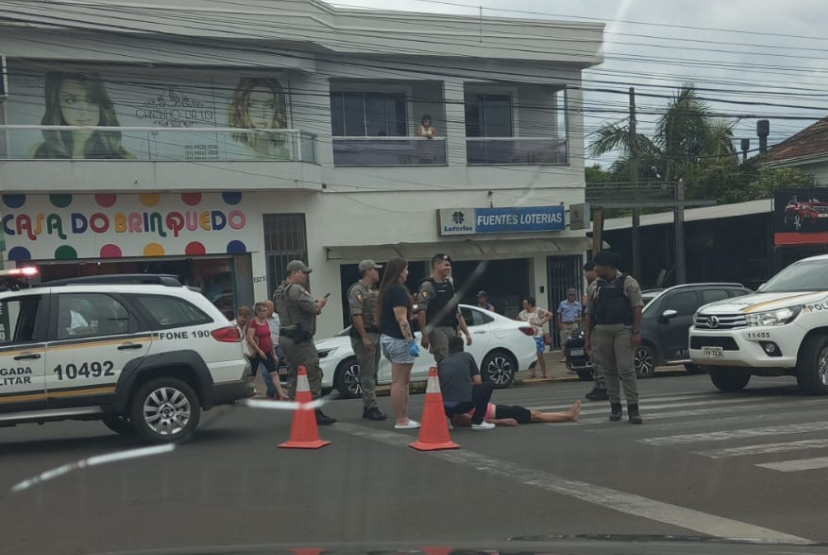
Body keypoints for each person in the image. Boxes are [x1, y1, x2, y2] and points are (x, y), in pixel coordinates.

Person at [584, 251, 645, 424]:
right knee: (608, 371)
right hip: (601, 330)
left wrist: (636, 331)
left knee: (626, 369)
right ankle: (615, 407)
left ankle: (633, 408)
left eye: (598, 266)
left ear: (609, 267)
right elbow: (589, 313)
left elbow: (637, 308)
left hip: (623, 329)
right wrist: (588, 339)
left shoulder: (628, 282)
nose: (595, 268)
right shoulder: (594, 286)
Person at [273, 260, 336, 425]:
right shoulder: (295, 289)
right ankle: (315, 410)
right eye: (303, 272)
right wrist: (319, 303)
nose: (305, 276)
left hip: (286, 336)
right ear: (294, 272)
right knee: (313, 371)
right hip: (299, 337)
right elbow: (312, 308)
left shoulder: (279, 291)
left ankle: (297, 409)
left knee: (294, 373)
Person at [32, 72, 134, 160]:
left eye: (91, 100)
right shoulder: (38, 152)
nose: (83, 112)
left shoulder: (125, 158)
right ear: (57, 106)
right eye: (70, 100)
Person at [377, 257, 420, 429]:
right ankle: (401, 419)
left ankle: (404, 417)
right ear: (399, 271)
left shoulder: (386, 290)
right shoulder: (398, 291)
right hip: (399, 340)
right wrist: (410, 341)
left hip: (387, 338)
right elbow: (401, 319)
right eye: (406, 269)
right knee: (399, 381)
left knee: (403, 380)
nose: (407, 272)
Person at [347, 260, 388, 421]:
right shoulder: (358, 290)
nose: (378, 272)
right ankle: (371, 407)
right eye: (375, 270)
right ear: (367, 271)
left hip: (375, 334)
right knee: (367, 372)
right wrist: (364, 337)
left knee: (372, 371)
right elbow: (356, 315)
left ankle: (369, 405)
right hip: (366, 335)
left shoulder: (373, 290)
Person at [416, 253, 472, 364]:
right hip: (437, 328)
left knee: (456, 360)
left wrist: (466, 333)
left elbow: (456, 312)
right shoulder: (428, 285)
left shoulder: (449, 284)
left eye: (449, 265)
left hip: (451, 328)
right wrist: (425, 335)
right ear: (436, 266)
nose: (449, 268)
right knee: (445, 361)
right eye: (446, 265)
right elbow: (421, 311)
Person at [438, 336, 495, 431]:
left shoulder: (442, 362)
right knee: (487, 386)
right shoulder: (467, 356)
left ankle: (447, 419)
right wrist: (466, 384)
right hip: (463, 404)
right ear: (462, 346)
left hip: (444, 407)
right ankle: (478, 421)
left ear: (449, 348)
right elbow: (478, 381)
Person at [228, 77, 289, 160]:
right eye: (252, 105)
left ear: (277, 110)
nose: (261, 114)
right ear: (242, 109)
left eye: (269, 106)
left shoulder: (285, 154)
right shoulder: (236, 154)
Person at [246, 302, 287, 401]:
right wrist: (259, 351)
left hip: (268, 351)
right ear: (258, 312)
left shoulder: (266, 322)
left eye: (266, 310)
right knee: (252, 374)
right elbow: (250, 338)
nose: (266, 312)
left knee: (273, 373)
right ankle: (246, 393)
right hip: (256, 353)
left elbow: (269, 338)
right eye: (263, 311)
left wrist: (273, 353)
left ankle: (280, 393)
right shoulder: (253, 323)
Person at [451, 399, 582, 428]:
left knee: (534, 415)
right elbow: (472, 420)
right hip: (499, 414)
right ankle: (568, 416)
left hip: (498, 410)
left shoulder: (455, 404)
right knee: (535, 416)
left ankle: (566, 414)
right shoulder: (457, 415)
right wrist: (502, 422)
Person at [583, 260, 607, 401]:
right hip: (601, 327)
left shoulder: (595, 286)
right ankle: (599, 386)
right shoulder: (603, 283)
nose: (585, 275)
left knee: (597, 359)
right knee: (597, 359)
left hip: (597, 328)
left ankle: (601, 387)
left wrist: (587, 335)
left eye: (586, 272)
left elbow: (588, 310)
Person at [517, 296, 552, 378]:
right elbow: (517, 320)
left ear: (530, 304)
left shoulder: (538, 310)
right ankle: (533, 372)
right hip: (528, 337)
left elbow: (550, 314)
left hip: (538, 335)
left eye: (525, 304)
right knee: (531, 355)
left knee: (540, 355)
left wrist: (542, 322)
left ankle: (544, 372)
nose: (523, 305)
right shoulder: (522, 313)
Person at [557, 288, 583, 363]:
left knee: (575, 340)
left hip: (574, 324)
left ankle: (575, 355)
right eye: (570, 295)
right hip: (564, 324)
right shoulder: (562, 303)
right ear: (567, 295)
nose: (571, 296)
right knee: (564, 341)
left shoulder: (578, 304)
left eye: (573, 295)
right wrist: (559, 323)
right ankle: (565, 356)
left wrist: (579, 319)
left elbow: (582, 314)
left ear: (575, 296)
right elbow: (559, 313)